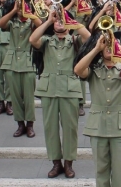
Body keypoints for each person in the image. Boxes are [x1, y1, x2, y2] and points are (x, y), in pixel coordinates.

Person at [74, 29, 121, 187]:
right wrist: (96, 49)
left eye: (113, 44)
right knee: (101, 172)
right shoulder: (95, 68)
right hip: (98, 126)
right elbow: (78, 70)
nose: (109, 47)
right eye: (107, 45)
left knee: (119, 173)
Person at [29, 9, 91, 178]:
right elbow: (32, 39)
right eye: (58, 20)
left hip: (70, 89)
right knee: (51, 128)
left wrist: (72, 20)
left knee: (70, 128)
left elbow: (88, 37)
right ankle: (56, 163)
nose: (60, 22)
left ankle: (68, 163)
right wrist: (48, 21)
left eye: (63, 20)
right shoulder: (47, 41)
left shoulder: (75, 41)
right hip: (49, 89)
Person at [0, 0, 42, 138]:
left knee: (28, 97)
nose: (21, 9)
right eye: (20, 6)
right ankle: (20, 125)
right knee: (15, 97)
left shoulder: (31, 21)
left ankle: (30, 125)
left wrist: (27, 12)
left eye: (24, 5)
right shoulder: (12, 22)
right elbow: (0, 24)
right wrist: (14, 10)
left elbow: (40, 24)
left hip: (28, 61)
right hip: (12, 62)